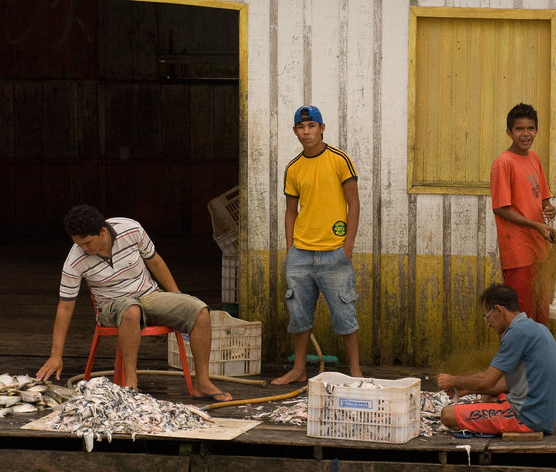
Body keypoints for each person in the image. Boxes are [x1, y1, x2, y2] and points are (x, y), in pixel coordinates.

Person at [36, 204, 232, 402]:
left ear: (102, 231)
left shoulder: (131, 229)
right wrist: (56, 354)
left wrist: (177, 295)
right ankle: (130, 384)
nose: (83, 249)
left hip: (148, 294)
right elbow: (65, 307)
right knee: (131, 309)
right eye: (79, 244)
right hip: (111, 305)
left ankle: (202, 383)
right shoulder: (74, 260)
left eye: (87, 243)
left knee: (199, 310)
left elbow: (155, 261)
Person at [272, 105, 362, 385]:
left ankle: (356, 370)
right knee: (299, 315)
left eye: (311, 126)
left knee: (345, 314)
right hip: (301, 253)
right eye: (301, 127)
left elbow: (354, 203)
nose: (306, 132)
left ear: (322, 128)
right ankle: (299, 368)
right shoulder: (294, 167)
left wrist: (347, 246)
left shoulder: (339, 160)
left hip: (334, 253)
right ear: (295, 131)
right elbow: (291, 211)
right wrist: (290, 248)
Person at [437, 284, 556, 435]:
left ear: (498, 309)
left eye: (487, 316)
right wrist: (469, 389)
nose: (488, 323)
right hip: (544, 415)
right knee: (488, 396)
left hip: (528, 418)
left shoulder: (516, 333)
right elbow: (506, 383)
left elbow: (486, 380)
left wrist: (452, 380)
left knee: (447, 415)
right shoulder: (538, 328)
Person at [490, 103, 556, 324]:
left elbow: (543, 197)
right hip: (518, 253)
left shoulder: (534, 158)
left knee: (540, 315)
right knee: (520, 317)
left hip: (539, 249)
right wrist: (537, 225)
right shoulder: (503, 163)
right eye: (519, 129)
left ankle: (536, 360)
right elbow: (500, 207)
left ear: (536, 130)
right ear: (509, 132)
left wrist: (549, 209)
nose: (526, 134)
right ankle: (516, 360)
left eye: (531, 128)